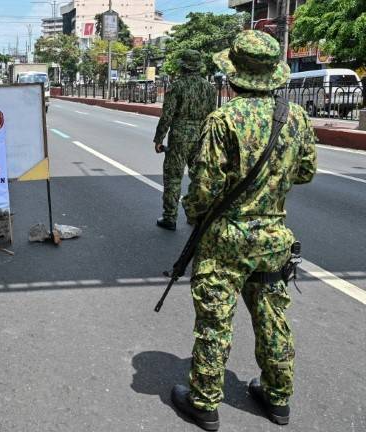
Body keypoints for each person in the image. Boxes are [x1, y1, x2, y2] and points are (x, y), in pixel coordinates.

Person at [170, 31, 317, 431]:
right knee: (272, 317)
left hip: (225, 240)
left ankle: (204, 402)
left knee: (215, 321)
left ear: (232, 75)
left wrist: (195, 216)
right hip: (273, 239)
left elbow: (202, 191)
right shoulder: (296, 117)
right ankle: (278, 397)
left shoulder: (223, 120)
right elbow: (304, 172)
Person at [153, 50, 216, 231]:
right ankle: (196, 215)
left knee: (173, 178)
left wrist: (159, 138)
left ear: (183, 65)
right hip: (201, 135)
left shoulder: (177, 86)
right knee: (199, 176)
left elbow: (167, 115)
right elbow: (213, 115)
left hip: (180, 136)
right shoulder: (209, 88)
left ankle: (170, 217)